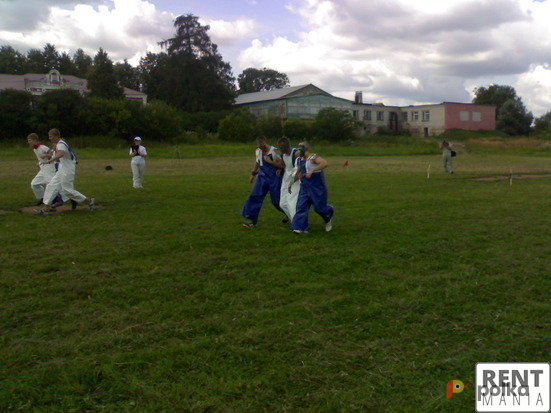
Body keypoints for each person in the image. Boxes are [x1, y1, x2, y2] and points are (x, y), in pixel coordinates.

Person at [36, 128, 94, 214]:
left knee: (67, 190)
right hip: (62, 169)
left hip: (67, 170)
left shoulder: (61, 144)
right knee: (51, 186)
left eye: (50, 136)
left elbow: (61, 153)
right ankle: (46, 209)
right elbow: (62, 157)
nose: (49, 138)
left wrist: (50, 160)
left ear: (56, 136)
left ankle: (89, 201)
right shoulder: (60, 144)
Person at [241, 136, 285, 227]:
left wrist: (272, 163)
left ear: (265, 142)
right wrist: (253, 174)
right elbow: (257, 162)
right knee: (255, 196)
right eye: (260, 146)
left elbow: (282, 165)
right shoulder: (258, 151)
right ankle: (252, 221)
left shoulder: (274, 151)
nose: (262, 148)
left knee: (276, 200)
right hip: (261, 177)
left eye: (263, 145)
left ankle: (290, 214)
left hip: (274, 177)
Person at [290, 142, 334, 234]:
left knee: (319, 208)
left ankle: (328, 216)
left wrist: (313, 170)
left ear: (306, 149)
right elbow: (299, 171)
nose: (299, 150)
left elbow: (324, 163)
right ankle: (300, 228)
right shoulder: (300, 159)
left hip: (317, 187)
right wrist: (292, 182)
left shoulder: (313, 157)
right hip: (305, 187)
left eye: (300, 148)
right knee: (301, 206)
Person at [276, 137, 300, 224]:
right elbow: (284, 165)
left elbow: (302, 163)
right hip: (285, 180)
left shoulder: (295, 153)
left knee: (291, 203)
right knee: (282, 204)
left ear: (287, 146)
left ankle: (297, 224)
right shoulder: (283, 155)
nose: (281, 150)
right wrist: (279, 169)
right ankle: (295, 220)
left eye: (282, 147)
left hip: (295, 181)